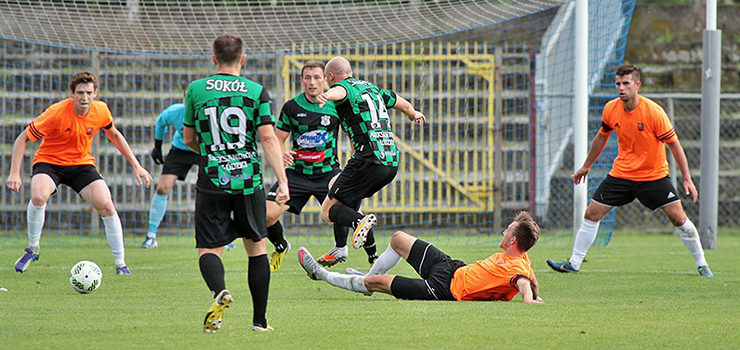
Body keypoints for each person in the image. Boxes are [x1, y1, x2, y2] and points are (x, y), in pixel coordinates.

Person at [547, 64, 713, 277]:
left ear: (637, 85)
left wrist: (687, 178)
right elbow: (601, 137)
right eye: (618, 83)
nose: (621, 88)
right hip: (621, 174)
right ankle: (574, 263)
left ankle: (702, 263)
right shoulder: (611, 108)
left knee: (679, 219)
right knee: (592, 213)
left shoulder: (654, 112)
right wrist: (586, 165)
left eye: (626, 83)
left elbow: (674, 145)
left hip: (653, 176)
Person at [183, 33, 289, 333]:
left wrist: (213, 155)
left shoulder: (196, 90)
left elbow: (189, 138)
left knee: (208, 248)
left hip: (212, 178)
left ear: (213, 59)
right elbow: (268, 138)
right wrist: (282, 181)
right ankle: (259, 321)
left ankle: (219, 292)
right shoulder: (256, 91)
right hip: (249, 180)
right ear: (243, 59)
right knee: (256, 247)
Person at [6, 71, 152, 275]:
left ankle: (121, 264)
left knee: (107, 205)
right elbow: (22, 139)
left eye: (89, 93)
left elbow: (115, 135)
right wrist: (14, 173)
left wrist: (137, 165)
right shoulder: (56, 113)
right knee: (39, 196)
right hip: (50, 162)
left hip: (81, 164)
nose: (85, 98)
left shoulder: (101, 111)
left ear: (95, 93)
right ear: (72, 93)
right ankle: (33, 248)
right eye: (80, 93)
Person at [315, 56, 426, 266]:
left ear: (331, 76)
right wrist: (414, 114)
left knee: (327, 211)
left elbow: (341, 91)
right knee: (335, 188)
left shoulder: (343, 88)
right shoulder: (373, 89)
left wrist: (327, 95)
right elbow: (401, 103)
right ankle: (345, 249)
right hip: (390, 163)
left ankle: (359, 223)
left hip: (368, 160)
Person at [298, 211, 543, 303]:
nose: (504, 231)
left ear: (513, 240)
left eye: (508, 229)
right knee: (398, 239)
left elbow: (523, 282)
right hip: (452, 267)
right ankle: (367, 282)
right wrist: (535, 289)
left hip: (443, 290)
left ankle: (321, 274)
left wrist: (530, 299)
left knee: (379, 283)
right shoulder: (523, 259)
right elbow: (530, 279)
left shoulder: (515, 268)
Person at [264, 60, 354, 271]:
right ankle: (281, 245)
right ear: (301, 80)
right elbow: (277, 140)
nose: (312, 82)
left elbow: (352, 133)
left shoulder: (337, 106)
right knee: (266, 215)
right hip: (297, 174)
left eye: (317, 77)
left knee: (345, 209)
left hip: (327, 172)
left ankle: (343, 249)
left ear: (325, 79)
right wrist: (282, 152)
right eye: (308, 78)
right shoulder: (291, 107)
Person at [141, 91, 201, 249]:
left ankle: (226, 238)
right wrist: (157, 147)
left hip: (204, 149)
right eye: (186, 100)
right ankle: (151, 236)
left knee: (217, 188)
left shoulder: (207, 113)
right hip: (180, 149)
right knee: (162, 188)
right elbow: (160, 121)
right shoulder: (175, 112)